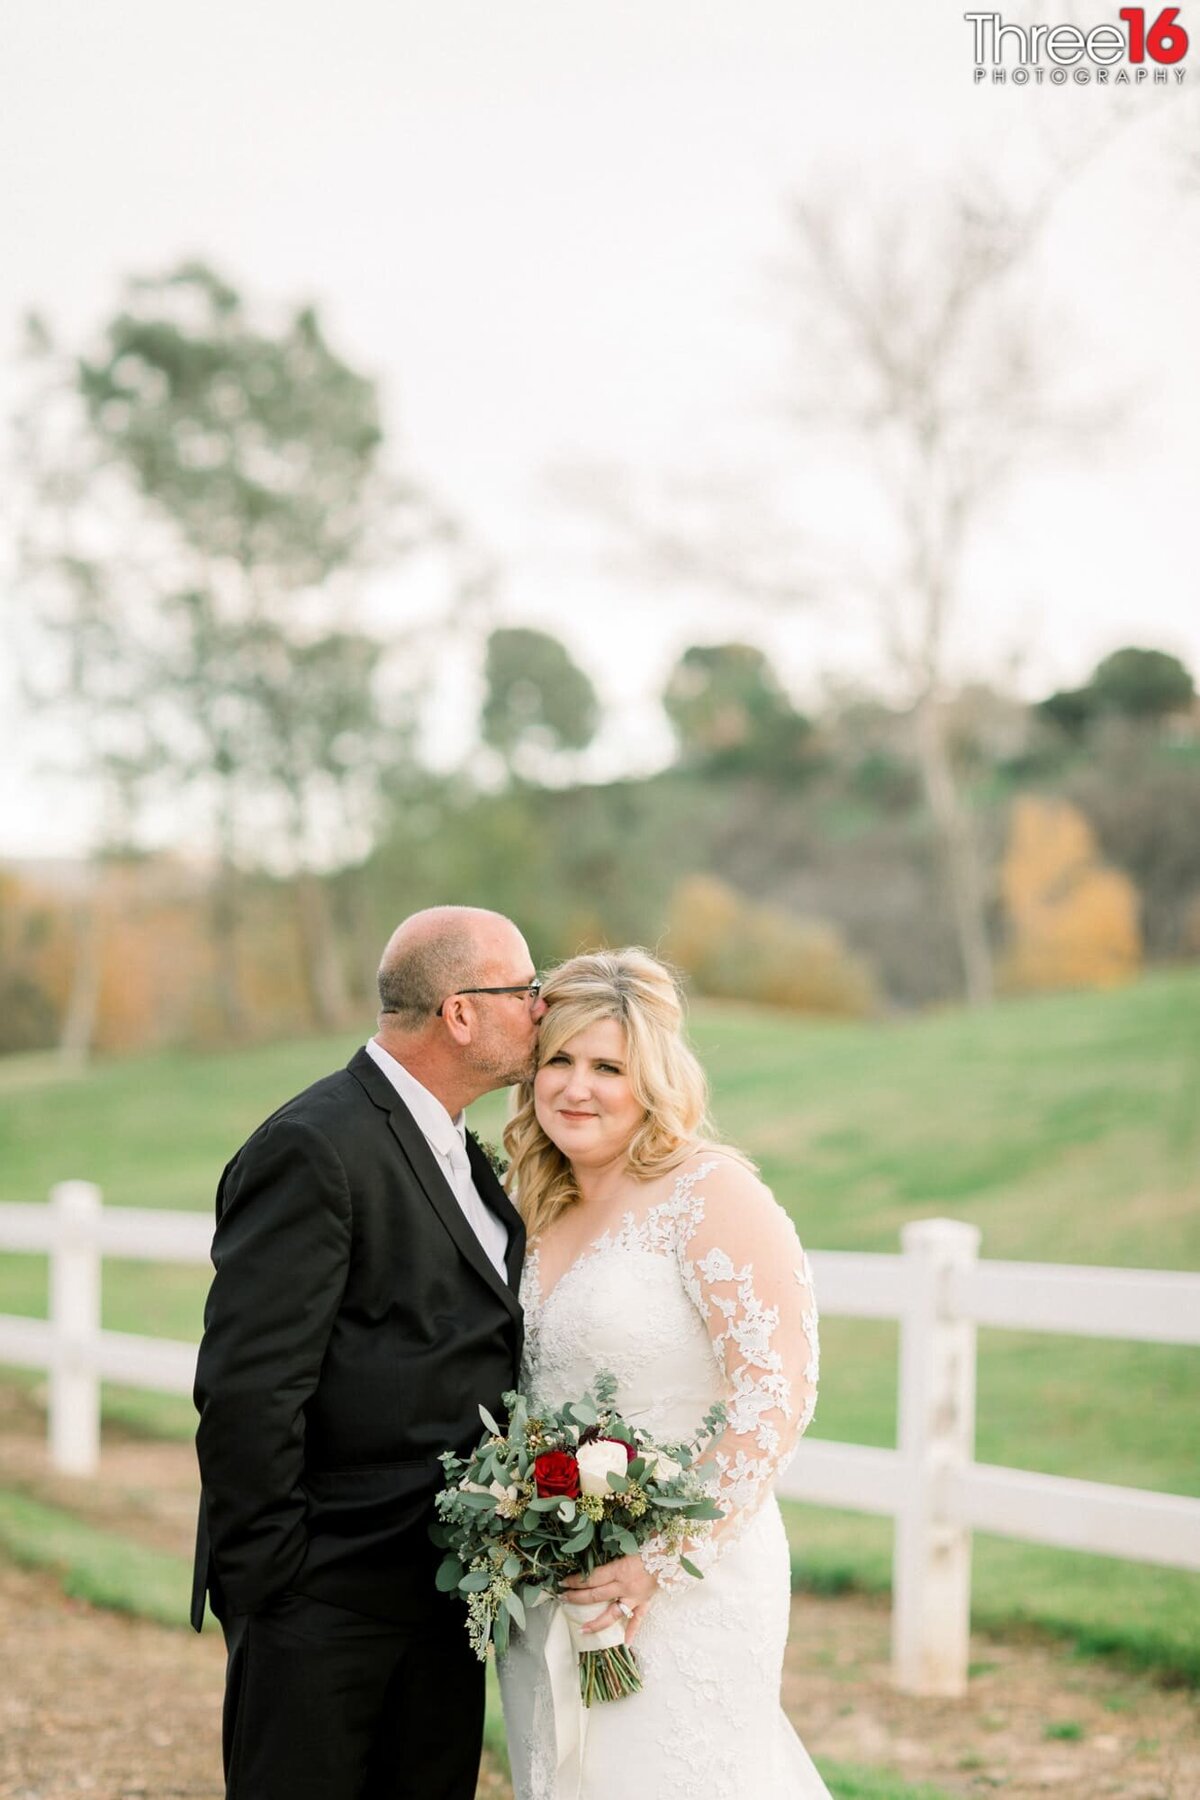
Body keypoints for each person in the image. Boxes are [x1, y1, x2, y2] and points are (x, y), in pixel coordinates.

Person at [191, 905, 543, 1800]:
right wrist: (279, 1583)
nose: (542, 1008)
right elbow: (248, 1387)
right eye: (526, 989)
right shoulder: (315, 1145)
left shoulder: (461, 1148)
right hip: (326, 1599)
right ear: (461, 1012)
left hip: (441, 1591)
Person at [497, 947, 829, 1800]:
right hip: (553, 1577)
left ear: (652, 1078)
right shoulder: (530, 1201)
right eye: (559, 1061)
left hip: (689, 1586)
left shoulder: (711, 1194)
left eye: (608, 1066)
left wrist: (660, 1559)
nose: (578, 1087)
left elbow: (776, 1394)